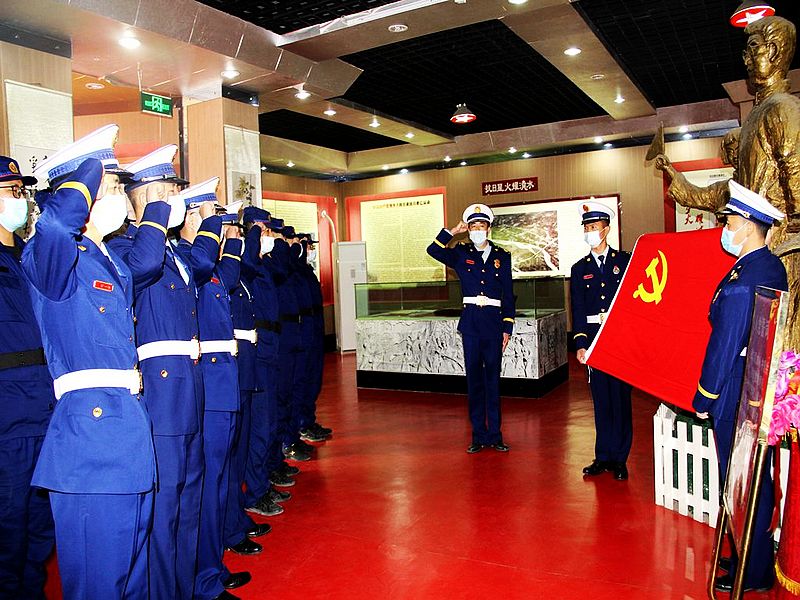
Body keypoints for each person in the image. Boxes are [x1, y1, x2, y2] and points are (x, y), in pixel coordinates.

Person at [24, 125, 156, 599]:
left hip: (127, 431)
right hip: (90, 444)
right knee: (99, 586)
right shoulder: (50, 257)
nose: (120, 197)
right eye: (112, 186)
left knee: (132, 580)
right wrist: (88, 173)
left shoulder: (108, 259)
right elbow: (54, 226)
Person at [655, 16, 800, 350]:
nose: (746, 58)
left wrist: (789, 242)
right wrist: (675, 176)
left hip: (780, 248)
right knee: (758, 344)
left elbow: (796, 178)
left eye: (753, 49)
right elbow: (731, 193)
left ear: (774, 51)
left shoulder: (783, 109)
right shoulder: (758, 115)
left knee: (779, 344)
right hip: (762, 249)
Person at [107, 144, 203, 600]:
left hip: (189, 384)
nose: (173, 200)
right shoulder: (124, 247)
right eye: (165, 192)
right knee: (165, 508)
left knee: (189, 497)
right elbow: (142, 268)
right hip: (162, 392)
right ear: (140, 199)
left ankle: (189, 586)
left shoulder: (170, 248)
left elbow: (200, 268)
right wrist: (153, 214)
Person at [693, 181, 787, 593]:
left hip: (736, 387)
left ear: (748, 226)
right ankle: (750, 556)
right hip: (753, 382)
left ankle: (752, 567)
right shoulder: (761, 266)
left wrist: (706, 394)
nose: (725, 230)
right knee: (751, 478)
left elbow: (725, 342)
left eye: (729, 222)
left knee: (742, 481)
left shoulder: (748, 275)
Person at [175, 178, 250, 600]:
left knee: (218, 480)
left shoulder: (210, 265)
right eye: (209, 216)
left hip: (224, 381)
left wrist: (234, 235)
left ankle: (213, 566)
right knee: (207, 486)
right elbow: (203, 264)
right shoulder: (188, 261)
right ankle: (205, 578)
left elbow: (230, 272)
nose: (217, 226)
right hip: (208, 385)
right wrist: (211, 230)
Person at [0, 156, 54, 599]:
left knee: (41, 524)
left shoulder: (28, 256)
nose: (21, 200)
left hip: (45, 409)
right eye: (11, 191)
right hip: (8, 417)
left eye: (22, 191)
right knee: (8, 526)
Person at [426, 203, 515, 453]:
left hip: (494, 324)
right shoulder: (460, 253)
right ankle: (478, 435)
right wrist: (452, 232)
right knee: (474, 380)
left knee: (493, 380)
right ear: (469, 229)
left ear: (488, 228)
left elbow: (508, 294)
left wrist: (507, 327)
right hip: (472, 324)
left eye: (481, 226)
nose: (477, 230)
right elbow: (433, 250)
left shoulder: (502, 256)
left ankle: (495, 435)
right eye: (473, 226)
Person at [221, 202, 273, 555]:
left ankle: (237, 517)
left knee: (244, 444)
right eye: (233, 232)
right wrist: (250, 239)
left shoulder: (239, 271)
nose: (237, 238)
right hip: (233, 367)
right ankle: (232, 523)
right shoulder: (223, 271)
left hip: (247, 363)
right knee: (232, 454)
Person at [570, 201, 632, 481]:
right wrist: (580, 343)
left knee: (620, 400)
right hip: (594, 340)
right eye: (586, 228)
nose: (589, 232)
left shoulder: (624, 262)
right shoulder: (579, 268)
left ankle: (620, 458)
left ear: (606, 229)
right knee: (601, 400)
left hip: (619, 339)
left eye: (594, 227)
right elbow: (578, 308)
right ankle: (603, 456)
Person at [241, 209, 293, 518]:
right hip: (258, 351)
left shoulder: (264, 264)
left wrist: (279, 244)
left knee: (270, 421)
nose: (270, 236)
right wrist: (252, 236)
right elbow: (246, 262)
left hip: (272, 347)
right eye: (265, 231)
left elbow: (284, 270)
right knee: (259, 426)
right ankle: (256, 491)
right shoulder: (246, 262)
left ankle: (265, 479)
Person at [297, 233, 332, 443]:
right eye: (308, 246)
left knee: (313, 379)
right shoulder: (295, 270)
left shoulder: (307, 270)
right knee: (303, 380)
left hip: (314, 327)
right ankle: (302, 424)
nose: (311, 250)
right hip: (302, 330)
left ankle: (308, 420)